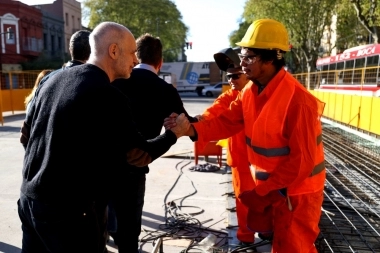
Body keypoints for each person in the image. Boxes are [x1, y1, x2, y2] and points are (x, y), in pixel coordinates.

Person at [17, 21, 190, 253]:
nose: (136, 61)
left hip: (30, 202)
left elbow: (26, 136)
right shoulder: (108, 95)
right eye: (131, 53)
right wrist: (173, 134)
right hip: (68, 214)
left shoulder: (51, 80)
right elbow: (138, 156)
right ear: (114, 50)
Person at [164, 19, 326, 253]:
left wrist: (263, 192)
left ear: (271, 58)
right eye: (242, 55)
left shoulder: (299, 102)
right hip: (275, 189)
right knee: (280, 245)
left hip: (297, 194)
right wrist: (189, 129)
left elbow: (302, 162)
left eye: (249, 57)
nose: (241, 63)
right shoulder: (250, 92)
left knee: (294, 247)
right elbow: (226, 122)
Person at [110, 33, 197, 253]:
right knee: (130, 229)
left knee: (102, 222)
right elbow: (190, 128)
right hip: (137, 167)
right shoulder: (165, 90)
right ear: (160, 62)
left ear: (135, 57)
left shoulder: (113, 81)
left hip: (105, 165)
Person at [195, 47, 256, 244]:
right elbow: (212, 113)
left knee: (268, 202)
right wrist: (193, 122)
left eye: (236, 75)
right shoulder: (230, 97)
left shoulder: (260, 95)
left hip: (263, 163)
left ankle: (266, 231)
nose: (232, 80)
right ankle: (246, 238)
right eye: (229, 77)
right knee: (243, 202)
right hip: (241, 161)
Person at [22, 29, 91, 116]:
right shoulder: (98, 82)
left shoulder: (47, 79)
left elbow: (29, 120)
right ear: (92, 51)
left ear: (70, 50)